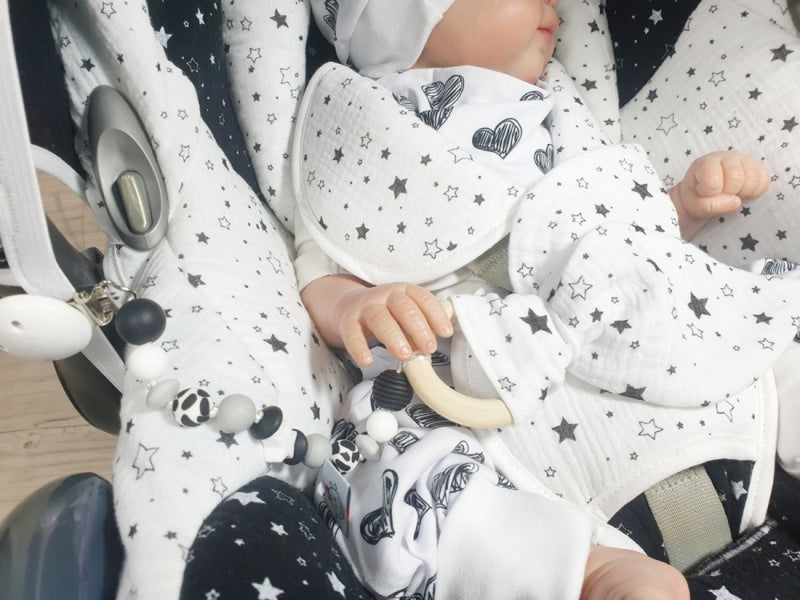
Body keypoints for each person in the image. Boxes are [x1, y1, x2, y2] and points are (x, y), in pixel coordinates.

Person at [295, 1, 800, 599]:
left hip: (631, 328)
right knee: (390, 483)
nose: (554, 3)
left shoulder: (560, 107)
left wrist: (681, 205)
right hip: (467, 376)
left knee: (770, 312)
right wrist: (355, 307)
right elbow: (319, 265)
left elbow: (623, 237)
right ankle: (583, 572)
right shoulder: (361, 128)